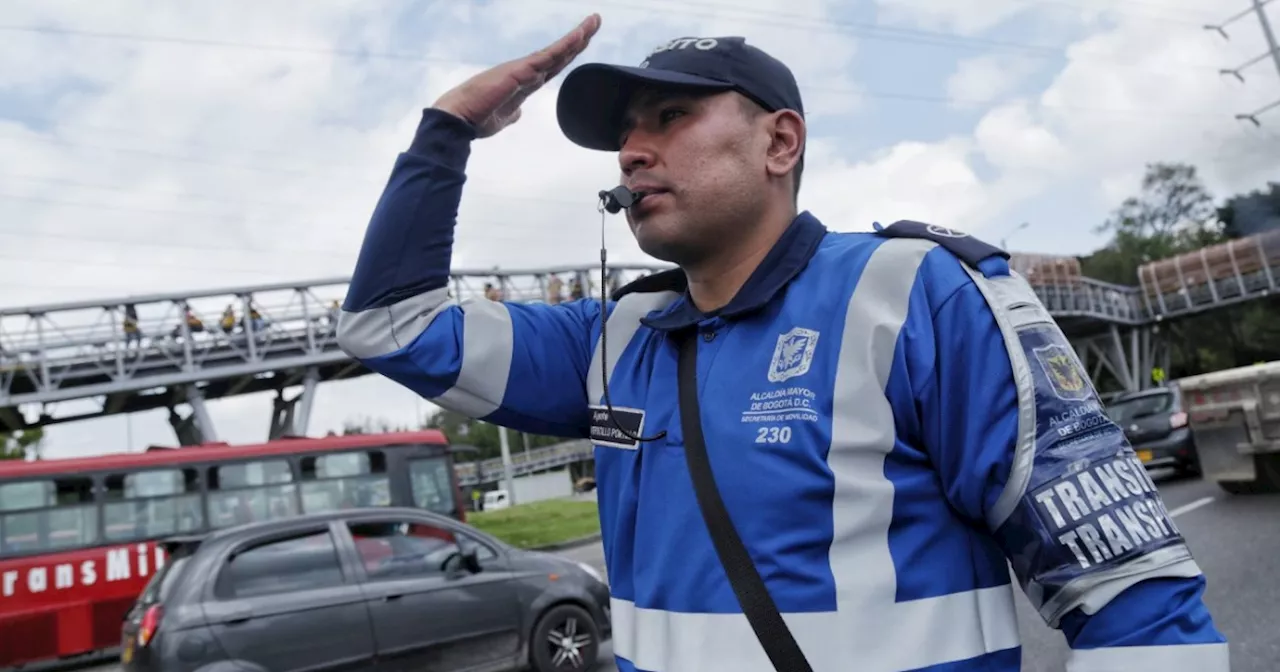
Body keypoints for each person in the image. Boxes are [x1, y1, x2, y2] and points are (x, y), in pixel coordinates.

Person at [337, 14, 1228, 672]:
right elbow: (388, 325)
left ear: (780, 141)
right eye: (623, 135)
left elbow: (1139, 611)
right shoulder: (608, 338)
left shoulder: (916, 294)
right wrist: (447, 130)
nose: (632, 152)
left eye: (668, 118)